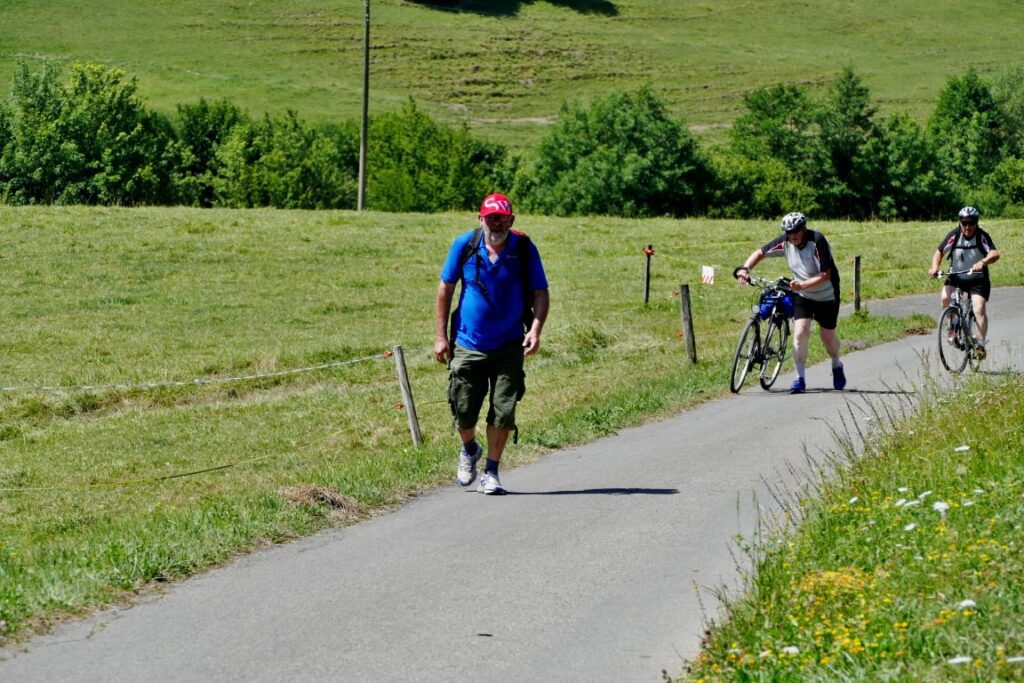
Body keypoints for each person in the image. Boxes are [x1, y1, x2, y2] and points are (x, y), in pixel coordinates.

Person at [434, 193, 549, 495]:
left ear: (511, 220)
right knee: (463, 410)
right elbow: (445, 288)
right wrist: (441, 336)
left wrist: (535, 329)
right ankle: (470, 448)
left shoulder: (523, 248)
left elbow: (540, 292)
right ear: (480, 218)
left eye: (501, 218)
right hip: (468, 343)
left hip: (510, 344)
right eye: (490, 217)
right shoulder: (464, 246)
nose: (496, 223)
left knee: (504, 412)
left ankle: (491, 472)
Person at [735, 211, 845, 394]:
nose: (792, 235)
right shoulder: (785, 242)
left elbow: (826, 275)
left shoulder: (817, 241)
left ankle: (836, 363)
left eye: (795, 231)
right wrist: (745, 269)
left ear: (803, 229)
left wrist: (801, 284)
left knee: (827, 337)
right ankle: (799, 378)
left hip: (826, 294)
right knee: (801, 331)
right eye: (788, 232)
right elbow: (760, 253)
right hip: (802, 295)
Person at [928, 206, 999, 356]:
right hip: (957, 276)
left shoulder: (981, 236)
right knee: (945, 298)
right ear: (960, 222)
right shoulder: (955, 235)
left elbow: (994, 253)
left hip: (977, 279)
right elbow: (939, 251)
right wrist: (934, 267)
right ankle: (953, 324)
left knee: (978, 309)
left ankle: (980, 344)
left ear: (976, 222)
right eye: (964, 223)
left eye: (971, 223)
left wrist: (983, 262)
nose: (967, 227)